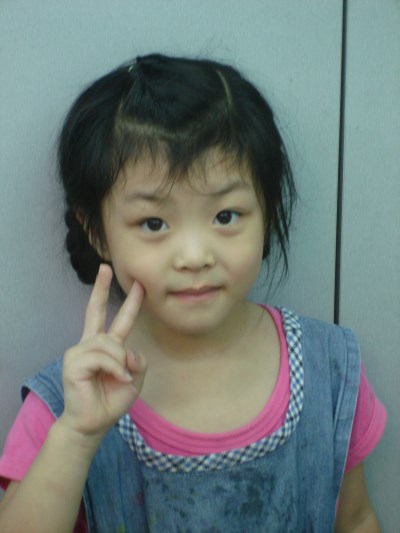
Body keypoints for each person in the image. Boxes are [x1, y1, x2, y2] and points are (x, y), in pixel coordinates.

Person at [0, 53, 386, 532]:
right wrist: (77, 435)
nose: (195, 255)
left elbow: (356, 519)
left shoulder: (330, 370)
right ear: (97, 232)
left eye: (225, 216)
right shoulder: (69, 400)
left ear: (267, 211)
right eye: (153, 223)